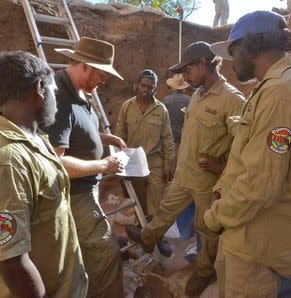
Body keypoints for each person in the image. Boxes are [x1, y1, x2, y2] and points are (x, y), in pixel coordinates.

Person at [207, 11, 291, 297]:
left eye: (232, 51)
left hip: (255, 242)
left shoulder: (283, 92)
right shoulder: (272, 88)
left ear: (252, 46)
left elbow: (260, 185)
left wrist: (215, 217)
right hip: (243, 231)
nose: (229, 61)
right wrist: (221, 189)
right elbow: (248, 155)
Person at [126, 41, 246, 296]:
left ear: (203, 63)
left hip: (207, 181)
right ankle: (147, 240)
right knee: (165, 210)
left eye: (187, 69)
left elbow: (246, 146)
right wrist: (175, 164)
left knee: (207, 229)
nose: (184, 76)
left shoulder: (232, 100)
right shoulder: (196, 95)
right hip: (184, 174)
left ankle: (204, 272)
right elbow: (189, 137)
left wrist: (222, 165)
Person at [0, 51, 88, 297]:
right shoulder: (5, 163)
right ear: (40, 89)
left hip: (65, 284)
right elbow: (12, 263)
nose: (56, 99)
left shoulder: (35, 138)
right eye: (54, 91)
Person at [41, 37, 125, 298]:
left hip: (87, 187)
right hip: (75, 194)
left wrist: (105, 138)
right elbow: (57, 162)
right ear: (86, 66)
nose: (104, 80)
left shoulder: (80, 92)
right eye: (101, 74)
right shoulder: (60, 98)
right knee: (108, 252)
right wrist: (105, 164)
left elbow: (76, 134)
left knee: (89, 252)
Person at [115, 69, 175, 256]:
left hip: (154, 163)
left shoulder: (160, 110)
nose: (145, 90)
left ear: (154, 89)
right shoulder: (127, 106)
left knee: (156, 201)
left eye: (150, 87)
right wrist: (118, 159)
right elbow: (120, 134)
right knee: (138, 201)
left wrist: (168, 165)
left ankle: (158, 237)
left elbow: (168, 139)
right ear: (137, 85)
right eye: (143, 85)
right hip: (133, 162)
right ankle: (143, 232)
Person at [162, 73, 191, 147]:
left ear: (172, 87)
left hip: (169, 139)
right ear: (183, 87)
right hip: (185, 139)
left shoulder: (166, 100)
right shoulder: (190, 100)